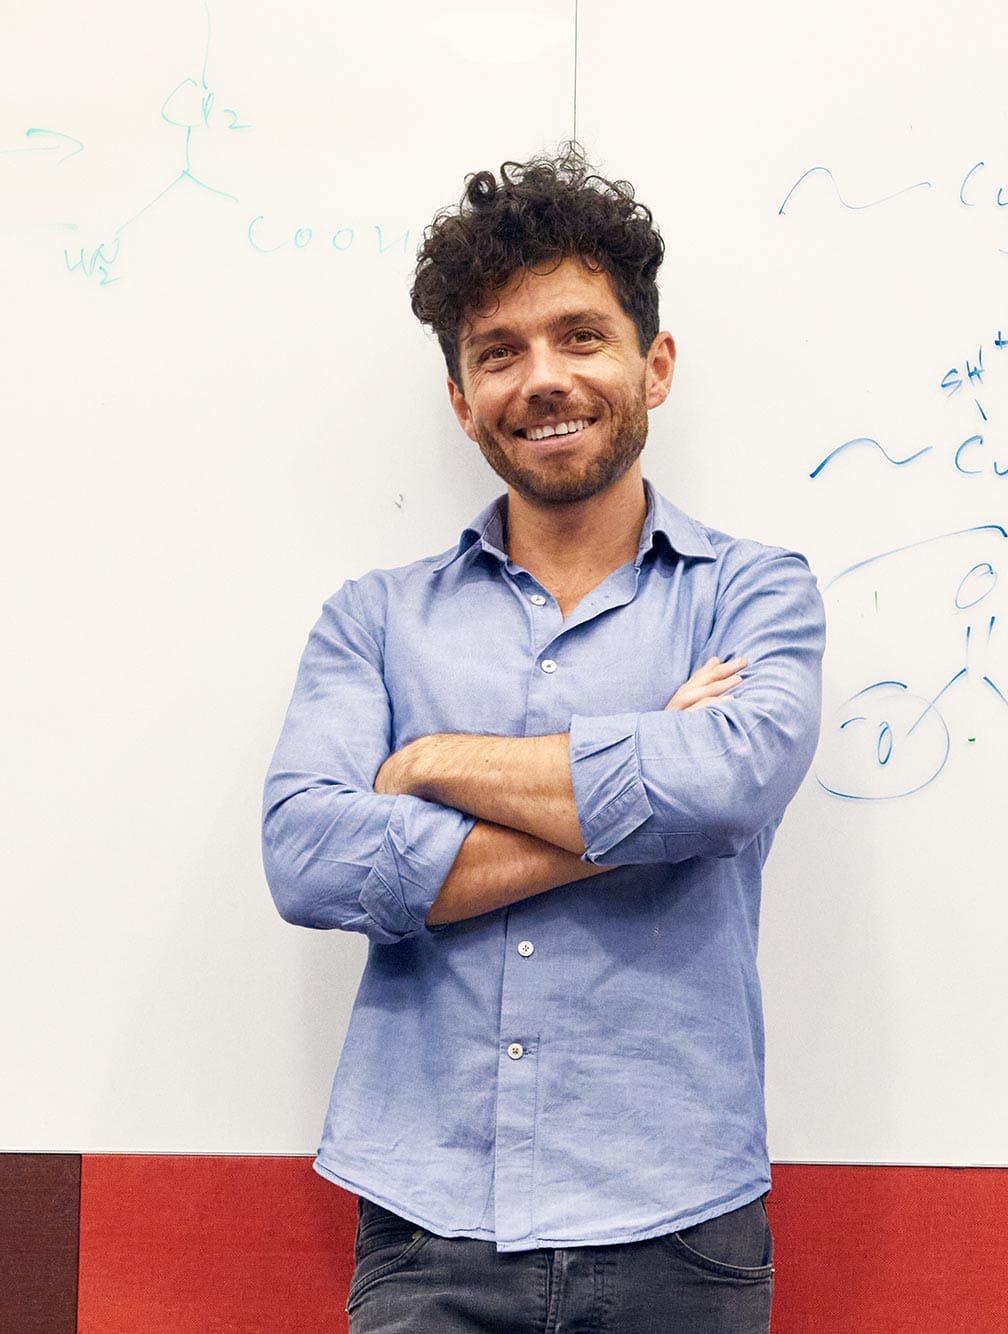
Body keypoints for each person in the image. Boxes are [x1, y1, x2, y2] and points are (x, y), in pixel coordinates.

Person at [260, 147, 825, 1332]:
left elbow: (723, 786)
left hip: (679, 1227)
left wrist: (430, 765)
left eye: (579, 335)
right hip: (426, 1225)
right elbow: (309, 857)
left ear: (652, 364)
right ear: (462, 399)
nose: (542, 378)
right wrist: (640, 800)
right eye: (497, 351)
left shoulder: (755, 597)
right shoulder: (373, 619)